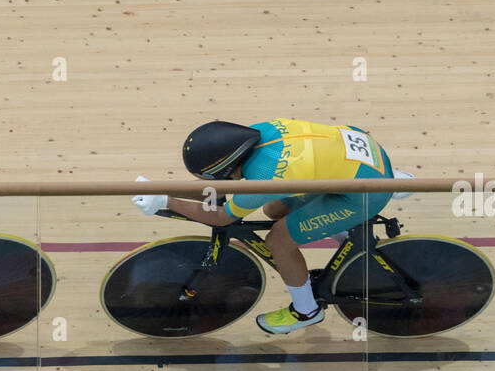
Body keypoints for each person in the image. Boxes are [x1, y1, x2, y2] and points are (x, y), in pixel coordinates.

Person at [132, 118, 411, 335]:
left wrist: (168, 201)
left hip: (362, 193)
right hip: (360, 158)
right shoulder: (256, 133)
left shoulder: (267, 175)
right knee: (274, 208)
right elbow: (219, 187)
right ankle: (352, 222)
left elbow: (221, 217)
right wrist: (162, 191)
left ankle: (306, 311)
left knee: (278, 240)